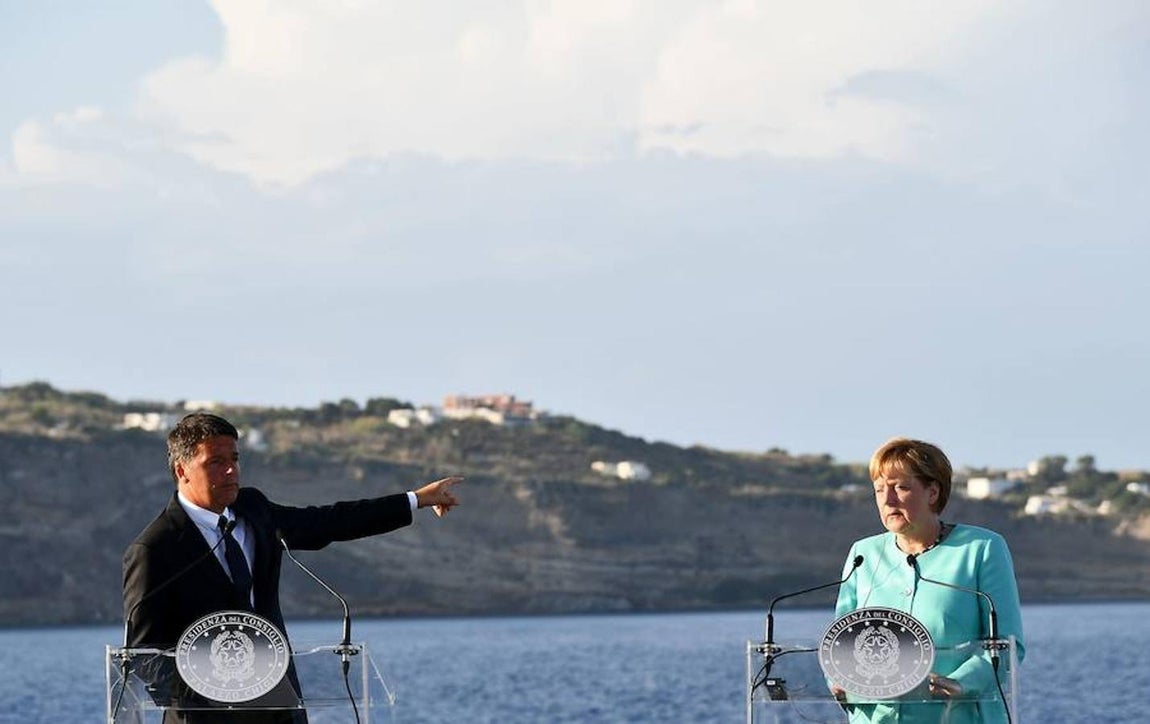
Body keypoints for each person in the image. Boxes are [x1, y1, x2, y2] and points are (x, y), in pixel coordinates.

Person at [122, 412, 462, 723]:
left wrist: (415, 500)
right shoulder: (155, 548)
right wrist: (222, 693)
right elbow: (144, 654)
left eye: (235, 459)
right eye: (216, 462)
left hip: (281, 710)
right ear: (182, 470)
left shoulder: (253, 509)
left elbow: (329, 521)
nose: (231, 470)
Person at [832, 437, 1024, 723]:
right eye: (879, 489)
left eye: (901, 487)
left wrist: (961, 683)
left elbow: (1009, 646)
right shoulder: (863, 554)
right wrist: (839, 680)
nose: (888, 499)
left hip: (956, 716)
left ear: (932, 492)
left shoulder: (981, 549)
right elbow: (839, 645)